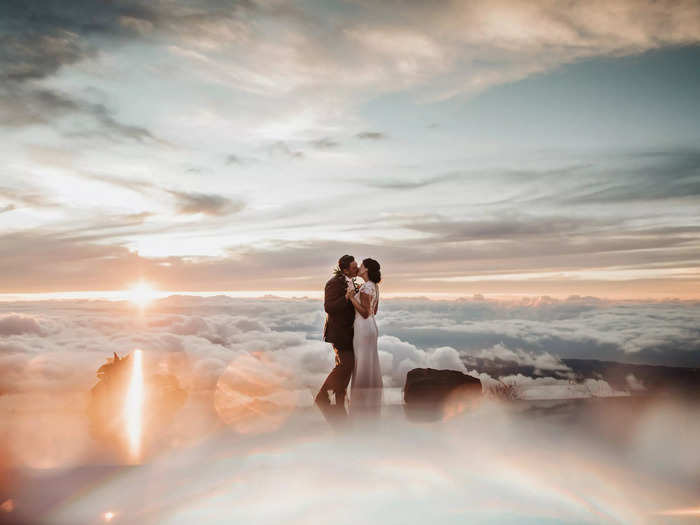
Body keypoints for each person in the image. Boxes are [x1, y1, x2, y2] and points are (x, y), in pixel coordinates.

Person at [315, 254, 359, 413]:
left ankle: (340, 398)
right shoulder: (333, 283)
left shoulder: (353, 281)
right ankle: (323, 395)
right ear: (345, 269)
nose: (357, 269)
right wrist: (346, 297)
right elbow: (329, 307)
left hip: (351, 332)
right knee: (345, 364)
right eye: (354, 267)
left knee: (347, 366)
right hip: (339, 332)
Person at [346, 258, 383, 415]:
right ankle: (370, 399)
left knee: (362, 362)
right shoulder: (374, 286)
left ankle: (361, 401)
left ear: (366, 269)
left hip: (363, 327)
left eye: (361, 265)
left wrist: (352, 297)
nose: (359, 267)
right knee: (369, 362)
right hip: (371, 328)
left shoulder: (367, 287)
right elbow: (375, 311)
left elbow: (366, 313)